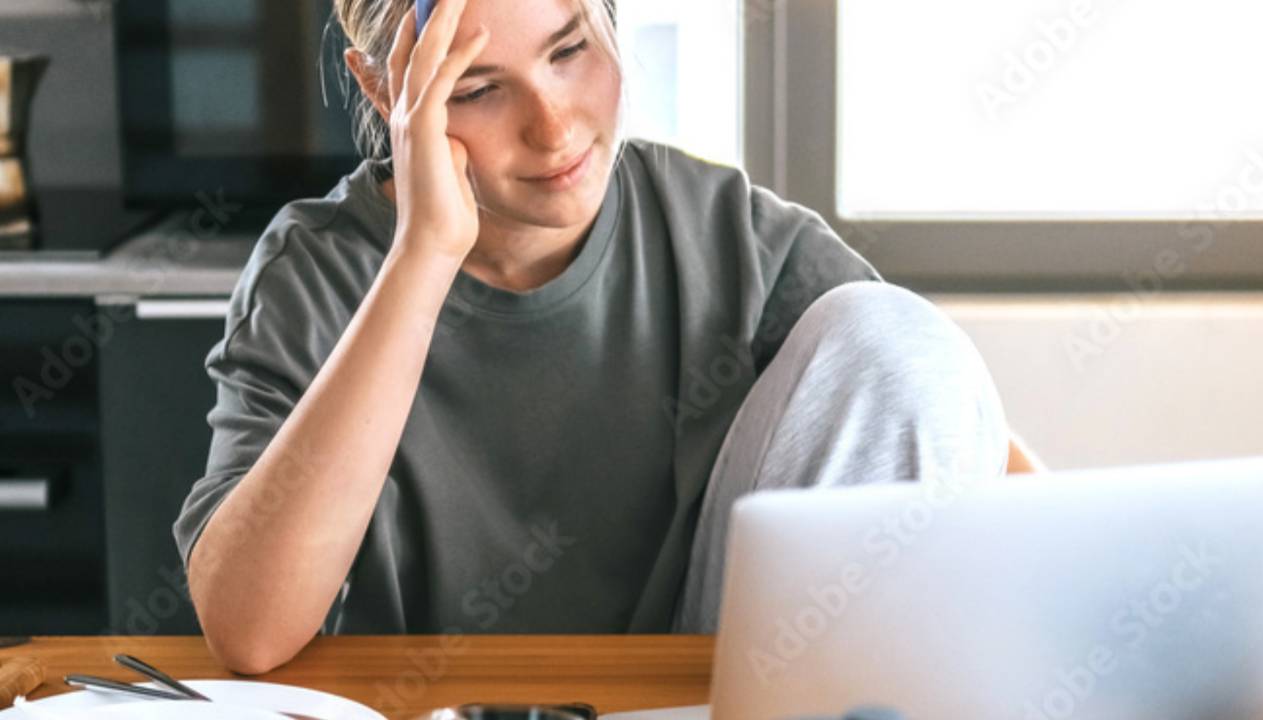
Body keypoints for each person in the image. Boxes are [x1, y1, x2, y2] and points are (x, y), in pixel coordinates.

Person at [173, 0, 1030, 675]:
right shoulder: (313, 270)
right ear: (382, 92)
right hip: (435, 711)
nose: (554, 128)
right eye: (475, 89)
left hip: (700, 699)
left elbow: (943, 419)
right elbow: (249, 633)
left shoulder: (724, 229)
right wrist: (425, 254)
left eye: (570, 48)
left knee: (893, 332)